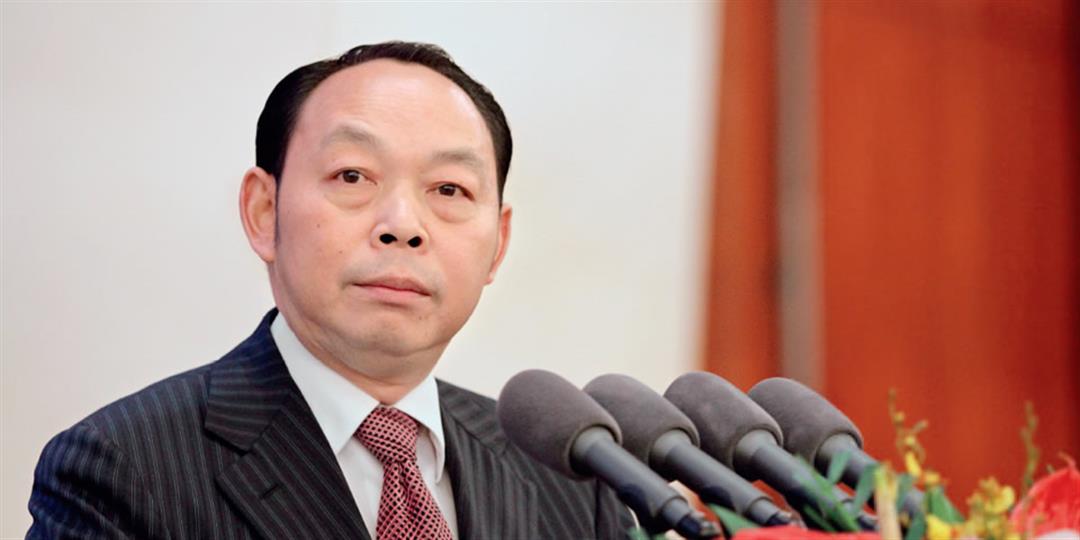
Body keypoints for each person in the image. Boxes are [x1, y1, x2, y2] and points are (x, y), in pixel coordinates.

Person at [27, 41, 633, 539]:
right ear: (264, 212)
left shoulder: (572, 484)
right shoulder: (124, 470)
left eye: (449, 190)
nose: (403, 225)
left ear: (497, 244)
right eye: (352, 176)